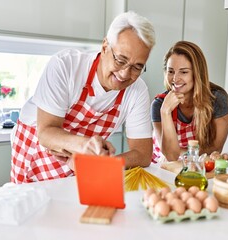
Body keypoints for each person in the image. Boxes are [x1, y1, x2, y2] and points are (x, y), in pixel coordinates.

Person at [11, 11, 156, 183]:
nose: (125, 74)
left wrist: (105, 163)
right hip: (36, 150)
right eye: (120, 60)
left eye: (137, 67)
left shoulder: (137, 91)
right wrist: (84, 146)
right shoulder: (66, 65)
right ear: (105, 47)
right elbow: (46, 133)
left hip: (81, 162)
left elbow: (143, 154)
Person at [151, 41, 228, 162]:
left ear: (197, 73)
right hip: (160, 168)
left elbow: (215, 149)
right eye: (170, 71)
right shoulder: (159, 104)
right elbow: (171, 156)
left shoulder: (217, 99)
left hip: (196, 168)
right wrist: (165, 112)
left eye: (183, 72)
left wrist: (181, 151)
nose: (175, 79)